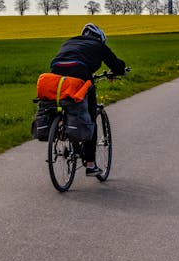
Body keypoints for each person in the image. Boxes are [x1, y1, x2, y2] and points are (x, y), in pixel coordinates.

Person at [49, 23, 127, 177]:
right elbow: (116, 65)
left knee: (63, 101)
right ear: (100, 38)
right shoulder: (99, 45)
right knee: (91, 116)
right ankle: (91, 165)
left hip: (55, 71)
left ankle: (60, 124)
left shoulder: (69, 41)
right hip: (80, 71)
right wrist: (117, 72)